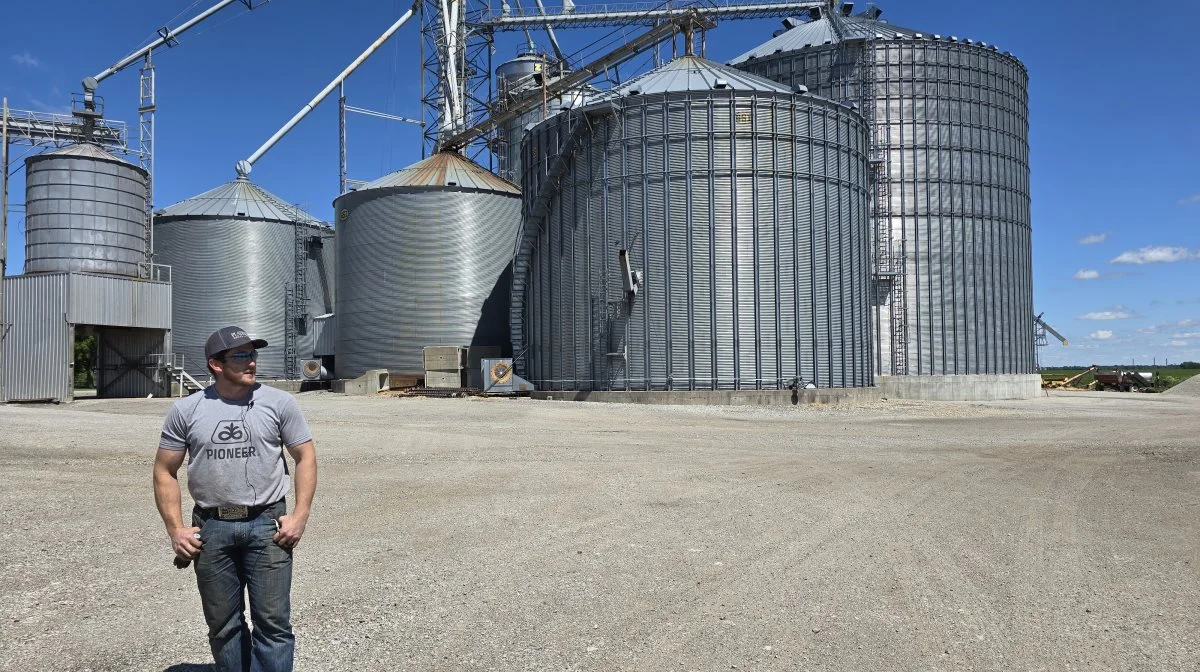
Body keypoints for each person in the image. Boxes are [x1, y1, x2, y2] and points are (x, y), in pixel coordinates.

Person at [153, 326, 318, 672]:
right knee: (224, 626)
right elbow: (164, 471)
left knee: (273, 625)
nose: (252, 362)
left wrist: (300, 515)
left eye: (253, 354)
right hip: (212, 528)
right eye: (241, 355)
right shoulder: (186, 410)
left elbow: (305, 457)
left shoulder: (280, 403)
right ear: (215, 363)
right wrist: (175, 530)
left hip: (267, 525)